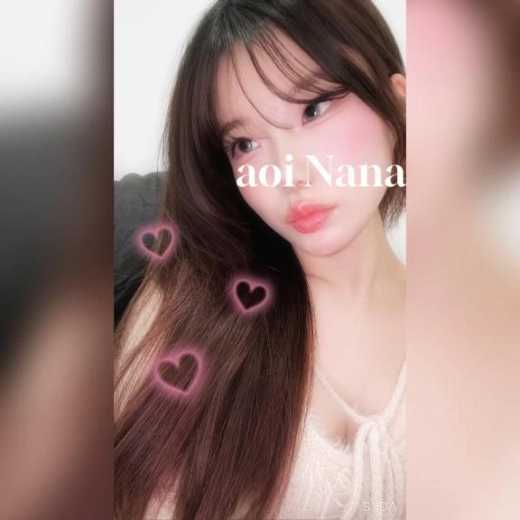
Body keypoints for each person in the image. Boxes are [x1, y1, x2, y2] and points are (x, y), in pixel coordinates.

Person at [114, 1, 406, 518]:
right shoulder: (188, 313)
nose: (288, 172)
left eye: (314, 109)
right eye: (245, 143)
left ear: (398, 104)